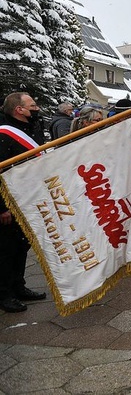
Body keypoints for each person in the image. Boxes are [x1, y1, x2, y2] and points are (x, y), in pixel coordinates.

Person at [0, 92, 48, 313]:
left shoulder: (32, 128)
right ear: (19, 109)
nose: (36, 108)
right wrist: (1, 207)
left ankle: (19, 287)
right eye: (32, 105)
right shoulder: (4, 133)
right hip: (8, 203)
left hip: (27, 198)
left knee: (21, 246)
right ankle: (4, 294)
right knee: (6, 251)